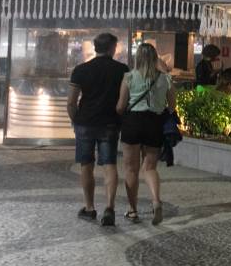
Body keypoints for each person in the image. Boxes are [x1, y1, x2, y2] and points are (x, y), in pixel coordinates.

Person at [66, 33, 128, 226]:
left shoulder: (81, 70)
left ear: (95, 48)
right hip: (109, 122)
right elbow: (124, 99)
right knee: (109, 164)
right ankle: (109, 207)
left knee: (86, 164)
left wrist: (76, 120)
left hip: (85, 122)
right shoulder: (122, 70)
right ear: (113, 48)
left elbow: (71, 102)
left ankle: (90, 207)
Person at [115, 42, 175, 226]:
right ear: (155, 57)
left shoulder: (129, 77)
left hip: (133, 122)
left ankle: (132, 211)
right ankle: (156, 201)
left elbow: (120, 106)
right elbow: (172, 107)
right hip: (154, 123)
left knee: (131, 169)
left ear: (137, 58)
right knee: (149, 168)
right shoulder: (166, 79)